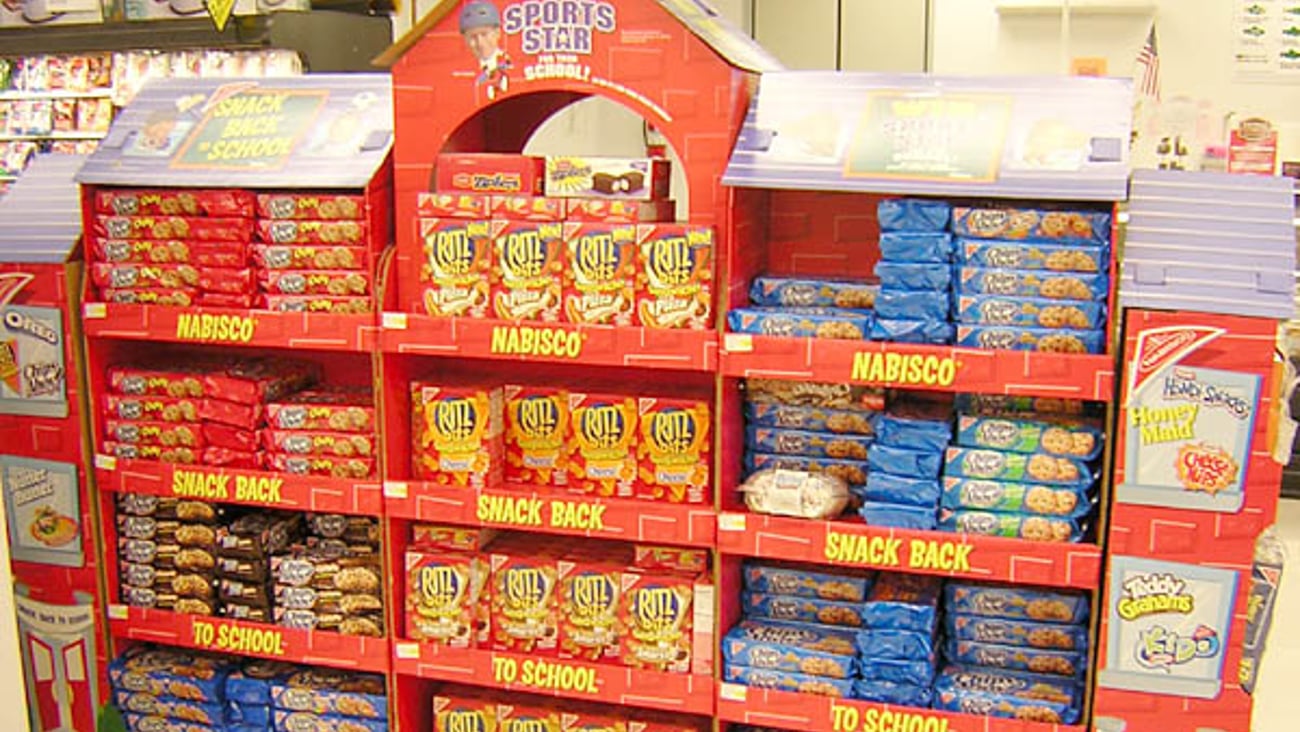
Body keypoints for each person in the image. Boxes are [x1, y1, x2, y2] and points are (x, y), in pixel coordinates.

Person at [460, 0, 511, 100]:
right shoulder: (465, 73)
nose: (480, 43)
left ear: (497, 33)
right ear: (465, 40)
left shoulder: (506, 61)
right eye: (473, 37)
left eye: (484, 34)